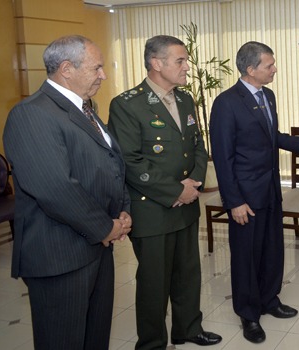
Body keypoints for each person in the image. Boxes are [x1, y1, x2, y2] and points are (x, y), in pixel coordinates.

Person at [3, 35, 131, 350]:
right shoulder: (32, 114)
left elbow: (110, 161)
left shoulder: (84, 109)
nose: (103, 75)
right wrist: (105, 227)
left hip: (96, 248)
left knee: (94, 338)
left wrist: (122, 212)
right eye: (97, 67)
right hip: (60, 257)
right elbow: (54, 187)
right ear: (66, 69)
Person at [108, 35, 221, 349]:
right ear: (156, 64)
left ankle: (188, 328)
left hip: (186, 204)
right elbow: (129, 160)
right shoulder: (127, 104)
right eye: (180, 61)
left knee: (188, 274)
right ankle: (152, 343)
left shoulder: (184, 100)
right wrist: (175, 191)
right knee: (154, 283)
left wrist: (194, 183)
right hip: (153, 210)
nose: (187, 67)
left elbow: (198, 146)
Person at [210, 41, 299, 344]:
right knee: (246, 256)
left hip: (270, 190)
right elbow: (223, 156)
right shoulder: (227, 103)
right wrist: (235, 202)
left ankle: (270, 299)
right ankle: (248, 314)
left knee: (272, 249)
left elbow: (272, 137)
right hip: (244, 196)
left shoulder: (267, 95)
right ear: (250, 69)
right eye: (269, 65)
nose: (275, 70)